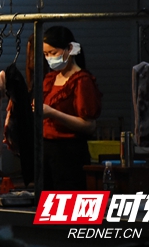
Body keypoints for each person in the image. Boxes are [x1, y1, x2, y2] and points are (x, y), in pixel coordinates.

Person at [41, 25, 102, 190]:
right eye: (46, 54)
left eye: (53, 53)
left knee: (67, 202)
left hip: (69, 154)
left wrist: (52, 113)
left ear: (69, 49)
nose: (49, 58)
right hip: (47, 152)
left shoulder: (82, 80)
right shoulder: (50, 79)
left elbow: (89, 125)